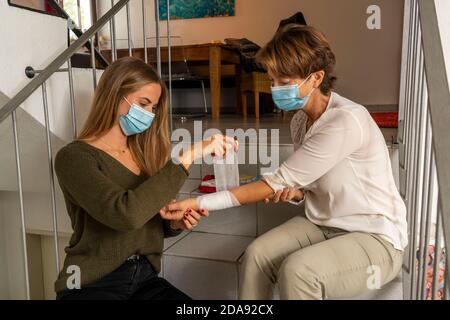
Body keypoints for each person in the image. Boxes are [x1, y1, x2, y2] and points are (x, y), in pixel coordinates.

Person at [162, 25, 407, 300]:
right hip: (322, 223)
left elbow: (274, 182)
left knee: (298, 270)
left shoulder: (346, 120)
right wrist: (299, 192)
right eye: (272, 80)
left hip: (374, 237)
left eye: (284, 81)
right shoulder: (300, 120)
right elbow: (311, 179)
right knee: (255, 255)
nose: (275, 89)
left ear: (316, 78)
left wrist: (198, 203)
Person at [54, 56, 237, 300]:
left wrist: (174, 224)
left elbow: (147, 221)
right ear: (114, 95)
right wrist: (190, 154)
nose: (150, 114)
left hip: (145, 281)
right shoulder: (74, 157)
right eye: (143, 103)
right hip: (90, 283)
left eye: (153, 107)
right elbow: (126, 214)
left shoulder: (144, 156)